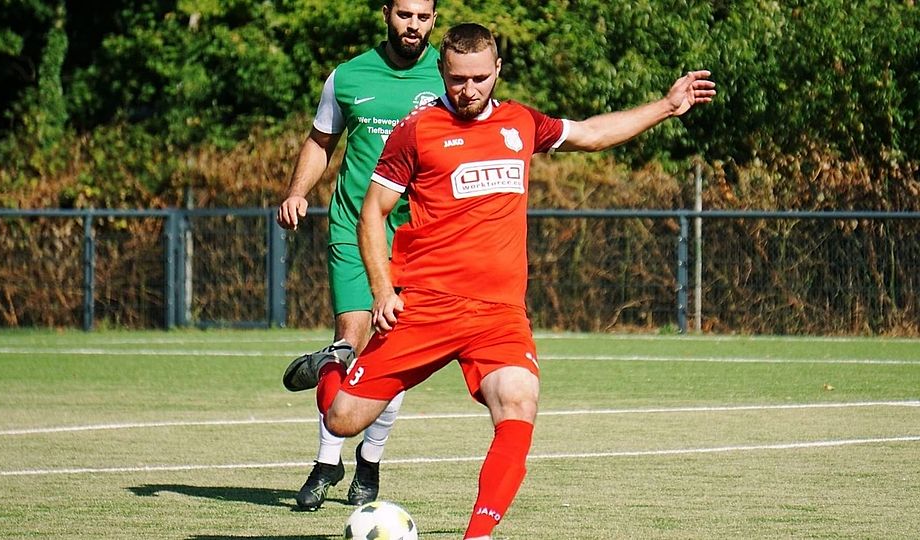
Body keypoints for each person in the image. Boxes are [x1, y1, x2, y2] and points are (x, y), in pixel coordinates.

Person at [283, 23, 716, 538]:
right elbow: (372, 213)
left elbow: (592, 134)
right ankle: (336, 363)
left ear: (497, 71)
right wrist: (381, 291)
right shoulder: (416, 131)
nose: (468, 90)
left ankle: (479, 534)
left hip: (499, 314)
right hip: (426, 306)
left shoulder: (521, 122)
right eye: (458, 79)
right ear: (442, 71)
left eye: (480, 79)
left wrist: (666, 106)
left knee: (518, 403)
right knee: (341, 420)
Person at [276, 0, 444, 511]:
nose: (413, 25)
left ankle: (369, 461)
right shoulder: (347, 76)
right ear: (386, 13)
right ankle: (327, 460)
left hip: (416, 237)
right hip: (353, 226)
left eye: (423, 17)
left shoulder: (451, 76)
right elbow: (320, 141)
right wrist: (297, 191)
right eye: (405, 14)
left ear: (434, 19)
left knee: (391, 352)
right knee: (350, 342)